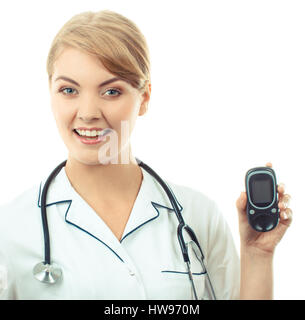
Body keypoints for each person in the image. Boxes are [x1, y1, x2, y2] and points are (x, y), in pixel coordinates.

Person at [0, 9, 292, 300]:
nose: (87, 113)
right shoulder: (12, 229)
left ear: (144, 98)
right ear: (50, 92)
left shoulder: (199, 217)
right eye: (68, 90)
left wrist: (257, 255)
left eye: (111, 91)